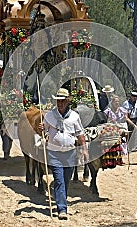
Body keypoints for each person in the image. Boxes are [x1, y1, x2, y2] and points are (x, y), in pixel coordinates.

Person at [39, 88, 88, 220]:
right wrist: (42, 129)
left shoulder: (74, 116)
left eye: (62, 101)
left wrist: (84, 149)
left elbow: (80, 133)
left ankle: (61, 199)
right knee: (59, 180)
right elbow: (44, 131)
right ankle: (62, 209)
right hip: (54, 153)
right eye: (58, 101)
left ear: (67, 102)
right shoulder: (49, 116)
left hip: (70, 153)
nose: (60, 103)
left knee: (66, 180)